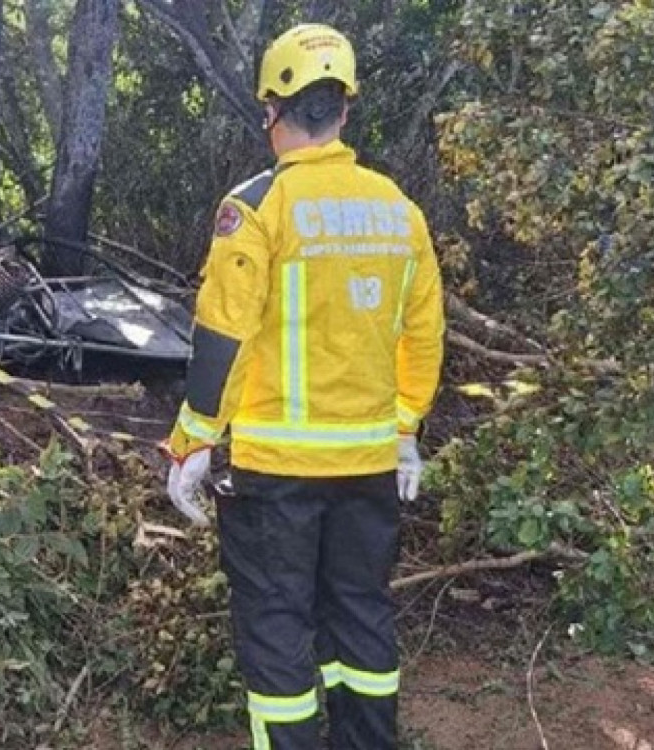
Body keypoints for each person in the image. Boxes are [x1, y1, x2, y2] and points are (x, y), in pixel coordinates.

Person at [162, 23, 445, 750]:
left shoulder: (258, 207)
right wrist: (406, 427)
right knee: (359, 616)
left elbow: (223, 334)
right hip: (369, 468)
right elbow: (423, 335)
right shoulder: (399, 211)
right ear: (345, 110)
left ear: (271, 111)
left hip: (277, 476)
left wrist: (191, 442)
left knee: (278, 627)